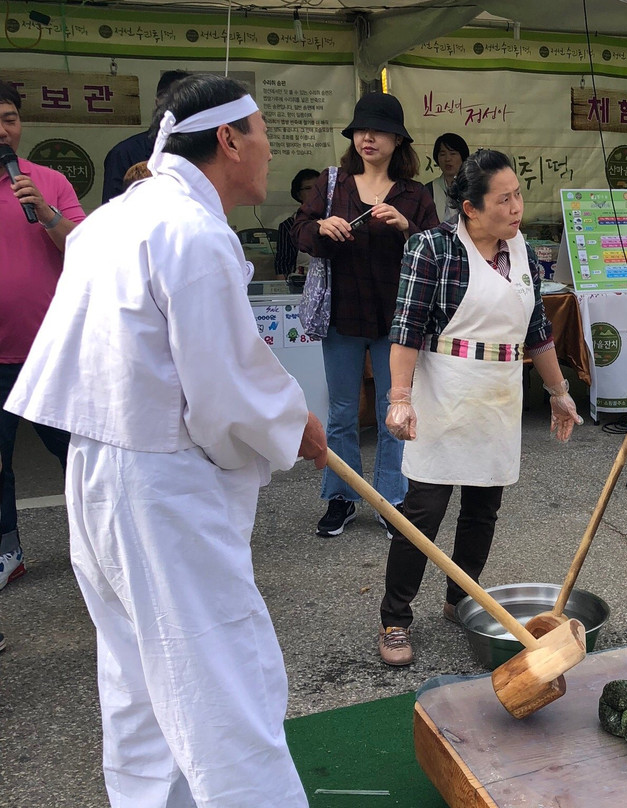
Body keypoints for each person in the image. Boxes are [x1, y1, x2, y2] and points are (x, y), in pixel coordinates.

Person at [5, 73, 328, 807]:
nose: (270, 152)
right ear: (229, 140)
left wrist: (278, 419)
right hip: (161, 485)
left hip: (99, 472)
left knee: (140, 682)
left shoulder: (118, 215)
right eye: (265, 137)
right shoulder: (191, 230)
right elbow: (224, 391)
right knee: (223, 680)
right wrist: (291, 423)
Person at [377, 149, 584, 666]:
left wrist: (559, 393)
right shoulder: (433, 248)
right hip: (443, 390)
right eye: (504, 199)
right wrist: (399, 398)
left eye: (517, 195)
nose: (516, 207)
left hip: (497, 393)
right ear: (470, 207)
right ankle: (395, 618)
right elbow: (404, 329)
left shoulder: (524, 255)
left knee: (483, 508)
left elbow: (537, 333)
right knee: (422, 511)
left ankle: (460, 599)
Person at [293, 92, 438, 538]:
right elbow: (298, 229)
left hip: (397, 318)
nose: (367, 137)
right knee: (340, 411)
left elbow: (436, 250)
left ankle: (391, 498)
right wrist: (319, 227)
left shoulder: (414, 194)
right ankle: (342, 495)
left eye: (377, 130)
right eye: (360, 129)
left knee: (393, 408)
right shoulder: (330, 183)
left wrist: (406, 229)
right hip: (342, 314)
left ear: (398, 140)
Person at [0, 79, 86, 591]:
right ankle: (8, 549)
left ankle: (94, 545)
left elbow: (87, 247)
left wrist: (48, 215)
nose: (2, 130)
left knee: (78, 456)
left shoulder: (48, 181)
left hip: (54, 352)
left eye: (9, 118)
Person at [100, 69, 190, 204]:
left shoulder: (204, 152)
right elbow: (112, 212)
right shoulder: (124, 153)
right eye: (173, 102)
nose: (180, 110)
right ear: (157, 102)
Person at [275, 167, 319, 280]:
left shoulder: (335, 219)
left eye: (318, 187)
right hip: (300, 284)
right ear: (298, 195)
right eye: (308, 188)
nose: (314, 192)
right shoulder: (288, 225)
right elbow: (283, 263)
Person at [424, 132, 468, 222]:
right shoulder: (428, 190)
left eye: (453, 154)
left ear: (462, 157)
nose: (447, 159)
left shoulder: (472, 188)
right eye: (442, 154)